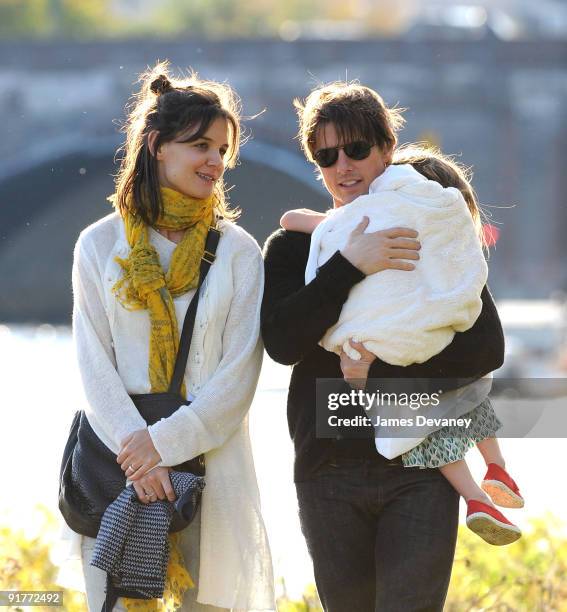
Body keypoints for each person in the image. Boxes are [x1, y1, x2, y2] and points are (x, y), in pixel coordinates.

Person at [261, 82, 506, 611]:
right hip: (327, 469)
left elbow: (486, 346)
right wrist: (350, 265)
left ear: (387, 150)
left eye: (356, 150)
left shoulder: (425, 233)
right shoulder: (293, 247)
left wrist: (379, 378)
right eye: (327, 155)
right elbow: (282, 342)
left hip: (420, 472)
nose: (343, 166)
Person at [69, 61, 273, 611]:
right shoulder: (98, 246)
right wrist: (141, 456)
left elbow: (239, 375)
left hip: (213, 466)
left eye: (223, 150)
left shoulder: (237, 252)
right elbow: (93, 363)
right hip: (117, 463)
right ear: (158, 146)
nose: (216, 161)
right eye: (201, 145)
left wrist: (163, 446)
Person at [280, 145, 524, 546]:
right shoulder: (450, 262)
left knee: (421, 430)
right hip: (439, 373)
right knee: (469, 397)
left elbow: (295, 218)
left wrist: (375, 375)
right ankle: (497, 468)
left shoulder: (365, 225)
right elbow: (484, 349)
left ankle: (476, 497)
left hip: (376, 377)